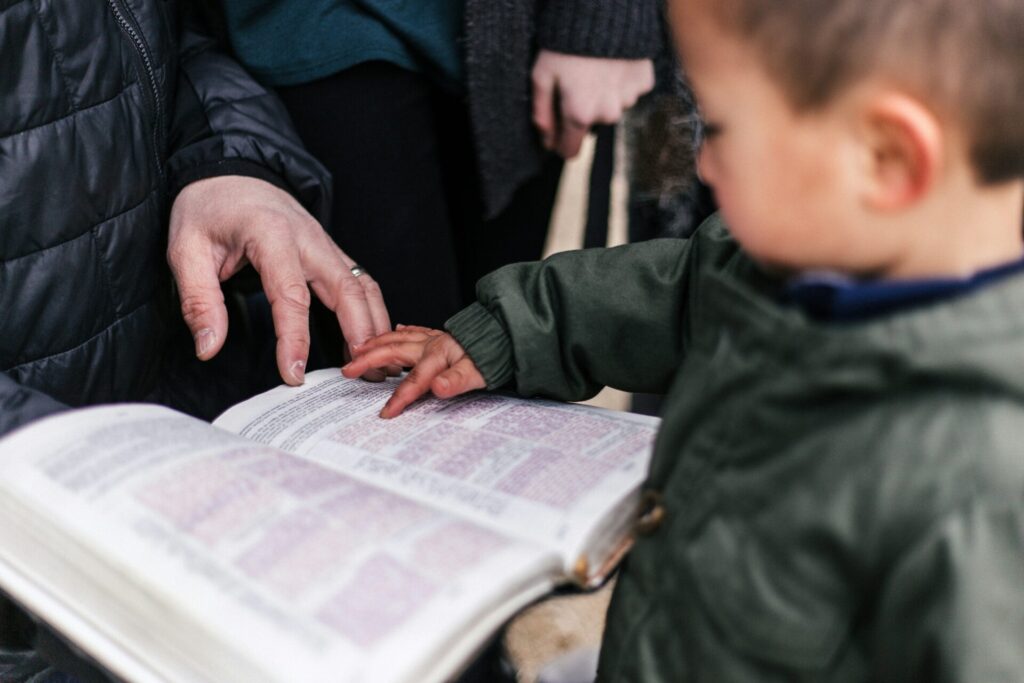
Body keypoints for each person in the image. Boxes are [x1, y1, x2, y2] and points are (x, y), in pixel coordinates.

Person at [342, 0, 1024, 679]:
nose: (700, 166)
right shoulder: (779, 262)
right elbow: (663, 292)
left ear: (887, 158)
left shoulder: (980, 492)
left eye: (719, 128)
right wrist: (502, 332)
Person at [0, 0, 389, 678]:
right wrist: (71, 475)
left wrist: (228, 163)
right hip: (49, 548)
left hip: (180, 420)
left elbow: (172, 37)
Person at [216, 0, 660, 333]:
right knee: (377, 377)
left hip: (509, 38)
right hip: (307, 27)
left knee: (488, 356)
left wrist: (603, 18)